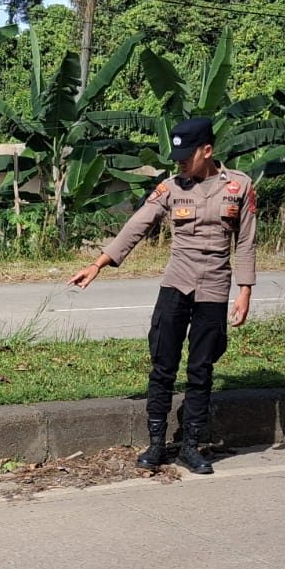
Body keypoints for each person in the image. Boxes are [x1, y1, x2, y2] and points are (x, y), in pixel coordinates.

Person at [69, 116, 257, 475]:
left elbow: (246, 241)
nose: (180, 162)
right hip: (176, 285)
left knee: (201, 369)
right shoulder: (170, 188)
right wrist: (99, 264)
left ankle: (191, 445)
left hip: (214, 288)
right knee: (163, 366)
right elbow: (137, 225)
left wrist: (245, 290)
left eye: (187, 155)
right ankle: (156, 443)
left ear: (207, 150)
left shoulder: (239, 186)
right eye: (177, 156)